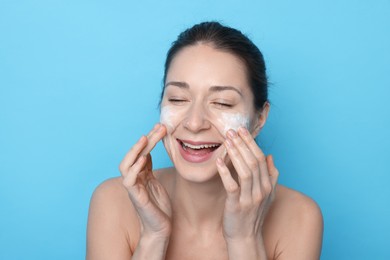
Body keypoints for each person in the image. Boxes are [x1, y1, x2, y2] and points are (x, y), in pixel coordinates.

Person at [86, 21, 323, 260]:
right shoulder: (113, 202)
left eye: (222, 103)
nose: (194, 122)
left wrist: (245, 240)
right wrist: (153, 237)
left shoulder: (299, 217)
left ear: (259, 118)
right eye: (178, 99)